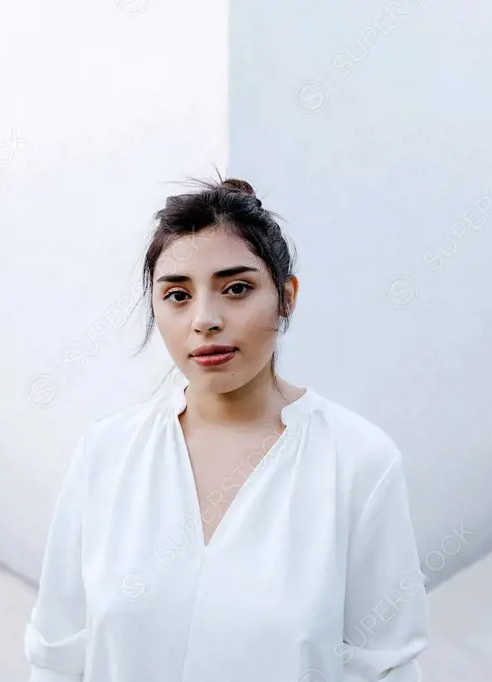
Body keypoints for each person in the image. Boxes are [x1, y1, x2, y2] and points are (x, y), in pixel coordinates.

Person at [24, 175, 430, 681]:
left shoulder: (358, 462)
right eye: (177, 294)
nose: (205, 320)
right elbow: (57, 658)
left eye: (236, 288)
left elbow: (386, 666)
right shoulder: (107, 453)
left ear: (286, 297)